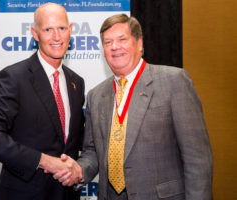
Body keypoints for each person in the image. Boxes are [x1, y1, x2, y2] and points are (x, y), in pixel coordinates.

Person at [56, 14, 213, 200]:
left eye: (122, 39)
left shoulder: (174, 81)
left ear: (139, 43)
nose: (115, 47)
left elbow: (198, 159)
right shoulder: (96, 95)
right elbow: (93, 152)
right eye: (108, 42)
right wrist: (79, 170)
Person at [0, 3, 84, 200]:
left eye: (61, 28)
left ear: (71, 30)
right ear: (35, 34)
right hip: (25, 194)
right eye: (48, 29)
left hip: (67, 194)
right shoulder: (13, 78)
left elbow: (76, 142)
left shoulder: (76, 82)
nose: (57, 37)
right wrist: (45, 161)